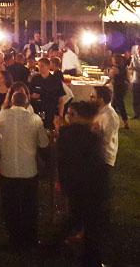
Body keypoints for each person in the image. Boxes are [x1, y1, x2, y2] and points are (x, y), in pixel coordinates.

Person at [0, 91, 49, 250]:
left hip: (8, 169)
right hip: (29, 170)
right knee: (29, 205)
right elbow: (43, 143)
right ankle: (30, 238)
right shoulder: (35, 119)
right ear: (27, 104)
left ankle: (14, 238)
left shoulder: (1, 116)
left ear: (11, 102)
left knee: (10, 205)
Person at [56, 101, 109, 266]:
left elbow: (62, 160)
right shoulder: (95, 133)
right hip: (94, 184)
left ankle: (65, 243)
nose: (68, 117)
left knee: (77, 215)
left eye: (70, 114)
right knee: (90, 222)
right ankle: (90, 257)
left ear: (77, 115)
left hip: (77, 184)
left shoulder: (67, 133)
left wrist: (62, 181)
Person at [29, 57, 65, 129]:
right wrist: (32, 96)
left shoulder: (55, 80)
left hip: (50, 110)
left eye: (42, 66)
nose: (40, 68)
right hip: (37, 109)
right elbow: (29, 94)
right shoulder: (35, 79)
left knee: (48, 129)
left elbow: (61, 99)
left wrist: (60, 115)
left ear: (48, 66)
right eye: (38, 66)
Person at [92, 86, 120, 170]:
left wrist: (92, 130)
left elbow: (107, 140)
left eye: (92, 97)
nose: (90, 99)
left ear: (101, 99)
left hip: (104, 158)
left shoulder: (110, 116)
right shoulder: (100, 111)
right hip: (97, 154)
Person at [108, 53, 130, 129]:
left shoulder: (115, 68)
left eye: (113, 59)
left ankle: (125, 122)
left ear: (115, 60)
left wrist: (104, 83)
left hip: (117, 87)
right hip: (123, 87)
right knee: (113, 104)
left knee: (120, 104)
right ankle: (112, 121)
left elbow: (110, 77)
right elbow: (128, 77)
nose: (112, 60)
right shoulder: (125, 67)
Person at [131, 44, 140, 119]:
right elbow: (131, 66)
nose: (139, 50)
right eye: (138, 49)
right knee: (135, 98)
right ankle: (136, 113)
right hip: (136, 80)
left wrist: (136, 68)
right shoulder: (134, 57)